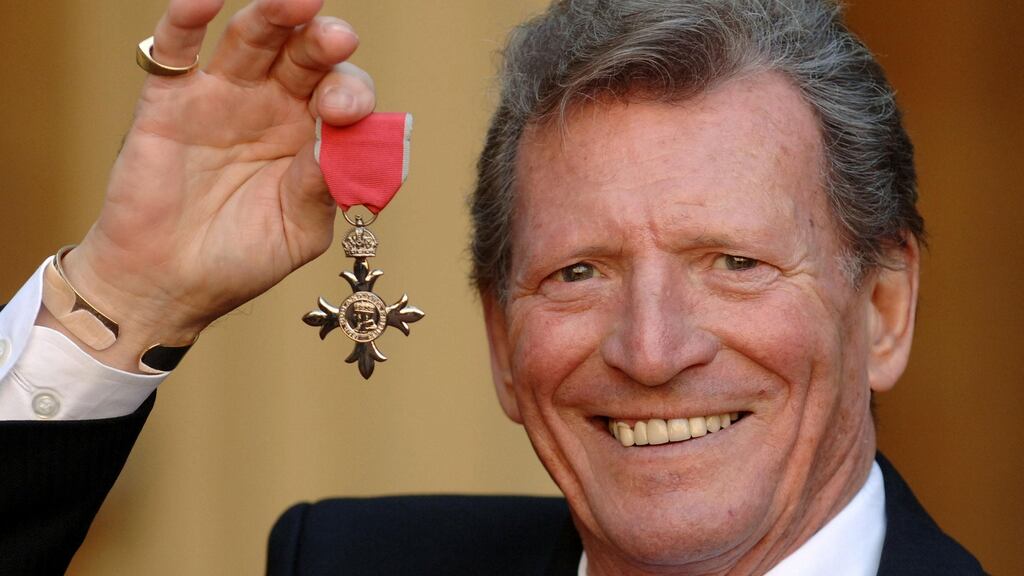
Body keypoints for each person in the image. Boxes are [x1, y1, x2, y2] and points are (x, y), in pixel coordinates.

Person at [0, 0, 989, 574]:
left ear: (883, 310)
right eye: (577, 273)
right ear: (500, 340)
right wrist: (126, 297)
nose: (652, 350)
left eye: (734, 264)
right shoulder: (347, 564)